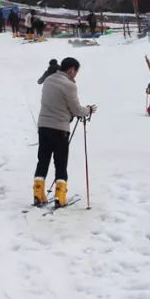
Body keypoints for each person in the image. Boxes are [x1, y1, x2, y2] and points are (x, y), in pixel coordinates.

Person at [33, 57, 96, 207]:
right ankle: (60, 197)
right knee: (60, 163)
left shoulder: (48, 80)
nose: (75, 75)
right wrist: (88, 110)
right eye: (76, 72)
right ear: (71, 70)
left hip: (43, 126)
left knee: (43, 160)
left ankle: (38, 194)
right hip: (59, 129)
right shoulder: (69, 85)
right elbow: (77, 109)